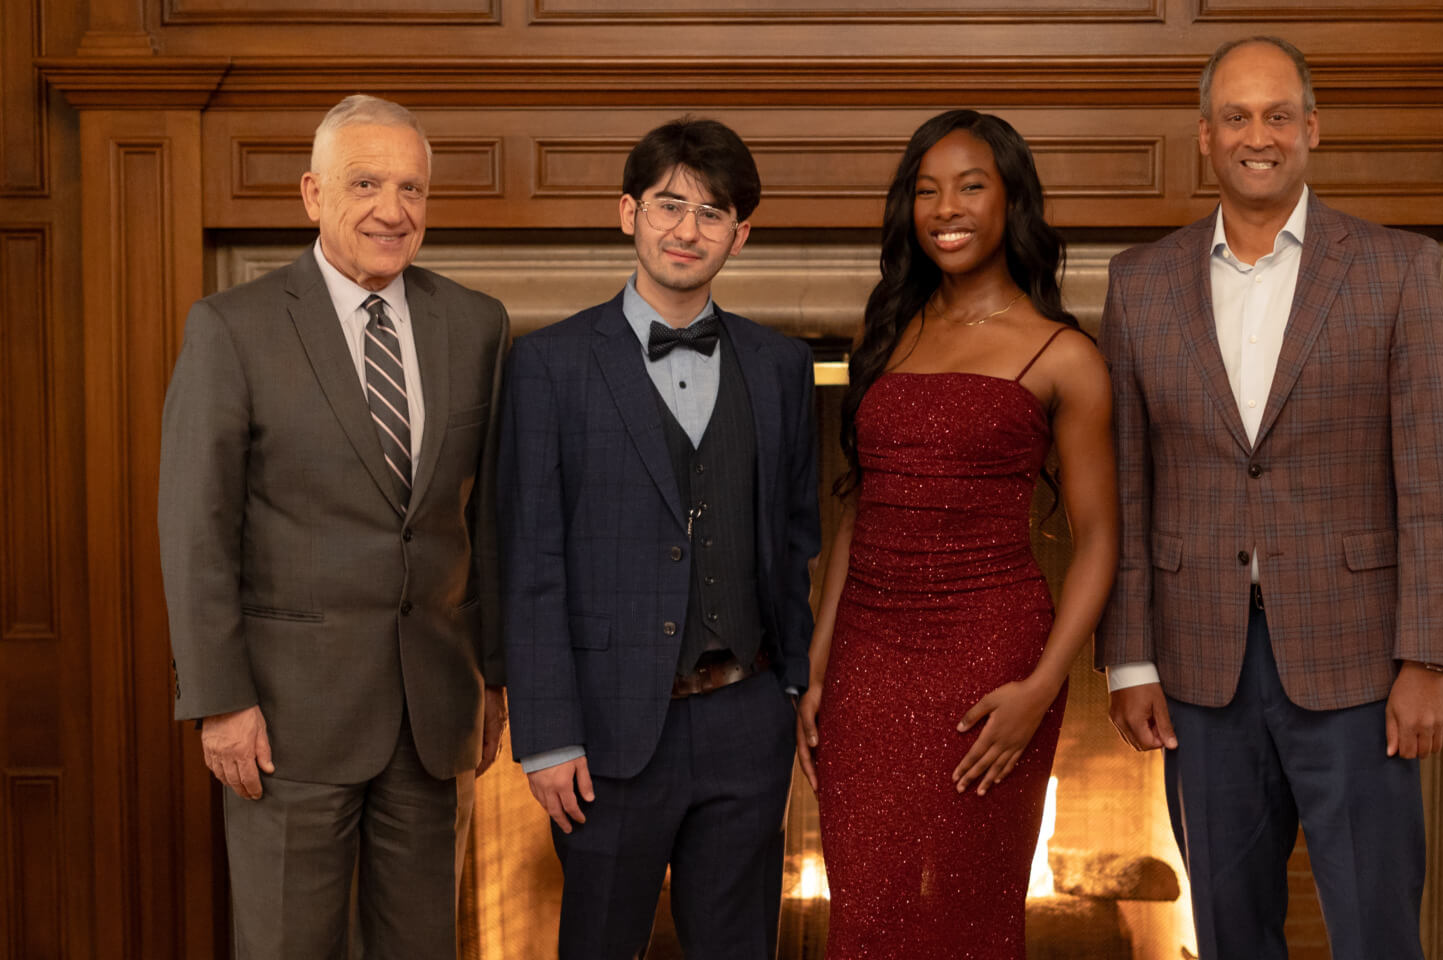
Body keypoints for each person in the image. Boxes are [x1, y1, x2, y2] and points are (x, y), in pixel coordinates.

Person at [1099, 36, 1443, 960]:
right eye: (1236, 116)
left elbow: (1436, 474)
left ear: (1311, 129)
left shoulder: (1397, 269)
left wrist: (1428, 658)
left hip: (1359, 665)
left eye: (1276, 115)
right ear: (1204, 136)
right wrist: (1128, 659)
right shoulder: (1140, 283)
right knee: (1228, 932)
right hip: (1197, 670)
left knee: (1378, 932)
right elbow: (1128, 484)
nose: (1255, 135)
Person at [158, 94, 510, 958]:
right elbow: (195, 525)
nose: (393, 210)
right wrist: (220, 702)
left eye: (412, 189)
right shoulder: (232, 328)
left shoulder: (477, 325)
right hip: (284, 719)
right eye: (366, 184)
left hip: (434, 713)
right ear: (313, 194)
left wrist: (495, 676)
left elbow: (491, 519)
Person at [796, 109, 1119, 959]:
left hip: (992, 664)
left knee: (970, 919)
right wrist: (820, 666)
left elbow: (1099, 541)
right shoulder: (890, 333)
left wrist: (1043, 686)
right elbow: (859, 509)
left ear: (1012, 202)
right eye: (927, 190)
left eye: (972, 186)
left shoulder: (1064, 357)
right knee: (864, 916)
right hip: (866, 662)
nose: (947, 207)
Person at [498, 116, 820, 960]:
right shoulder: (551, 365)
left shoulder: (782, 367)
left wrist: (790, 690)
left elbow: (794, 541)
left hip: (747, 725)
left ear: (740, 236)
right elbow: (529, 559)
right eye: (669, 205)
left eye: (712, 214)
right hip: (606, 733)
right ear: (628, 212)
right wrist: (547, 733)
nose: (688, 229)